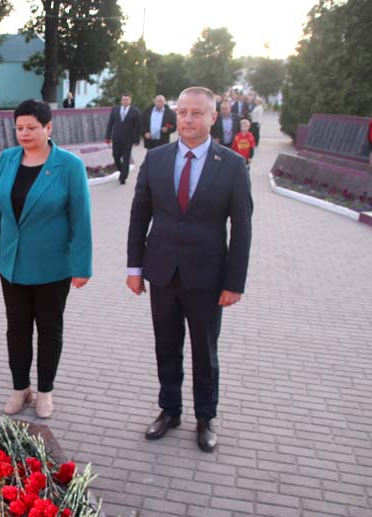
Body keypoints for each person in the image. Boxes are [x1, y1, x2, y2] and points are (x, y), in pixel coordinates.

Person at [126, 87, 253, 453]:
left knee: (204, 350)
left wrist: (234, 283)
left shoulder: (231, 165)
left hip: (207, 278)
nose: (188, 119)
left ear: (213, 118)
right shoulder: (157, 159)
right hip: (162, 271)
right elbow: (139, 216)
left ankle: (205, 417)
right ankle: (170, 410)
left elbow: (242, 228)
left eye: (197, 113)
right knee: (166, 345)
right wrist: (135, 268)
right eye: (183, 112)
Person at [0, 99, 93, 419]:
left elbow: (80, 219)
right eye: (19, 128)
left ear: (48, 128)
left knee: (49, 329)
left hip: (52, 266)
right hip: (11, 263)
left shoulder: (69, 165)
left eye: (32, 127)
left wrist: (81, 266)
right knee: (16, 328)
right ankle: (20, 387)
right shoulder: (7, 159)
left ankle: (45, 390)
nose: (24, 133)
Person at [105, 94, 141, 184]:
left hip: (128, 139)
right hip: (116, 138)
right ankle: (122, 170)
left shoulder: (134, 111)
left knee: (126, 158)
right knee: (115, 156)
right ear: (121, 100)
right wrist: (107, 137)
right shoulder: (115, 109)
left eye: (127, 100)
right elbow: (110, 123)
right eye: (123, 100)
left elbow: (137, 126)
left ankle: (123, 177)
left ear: (130, 101)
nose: (125, 101)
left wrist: (137, 139)